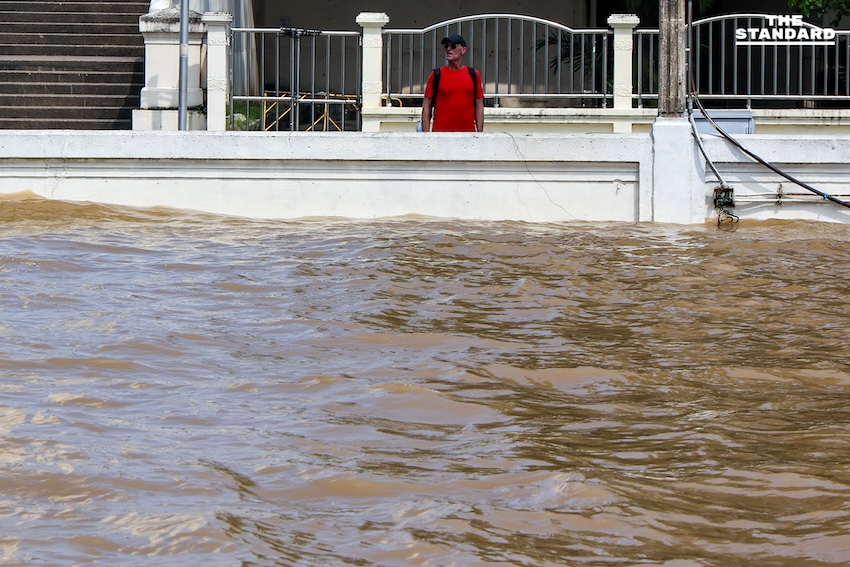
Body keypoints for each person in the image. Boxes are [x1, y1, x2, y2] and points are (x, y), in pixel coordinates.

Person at [420, 34, 484, 132]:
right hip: (440, 136)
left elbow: (479, 105)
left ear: (463, 50)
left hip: (467, 136)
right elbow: (426, 106)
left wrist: (480, 135)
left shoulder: (473, 75)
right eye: (446, 46)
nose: (448, 49)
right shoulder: (437, 74)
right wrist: (426, 135)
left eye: (453, 46)